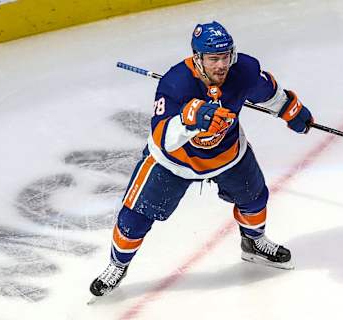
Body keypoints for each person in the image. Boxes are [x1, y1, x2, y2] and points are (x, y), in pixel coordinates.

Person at [90, 21, 313, 297]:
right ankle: (117, 265)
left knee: (254, 198)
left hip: (228, 153)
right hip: (175, 162)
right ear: (198, 58)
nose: (221, 65)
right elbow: (163, 138)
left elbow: (266, 91)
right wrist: (189, 121)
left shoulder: (242, 70)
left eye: (225, 57)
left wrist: (290, 109)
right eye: (213, 59)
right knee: (135, 217)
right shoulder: (175, 83)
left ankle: (254, 243)